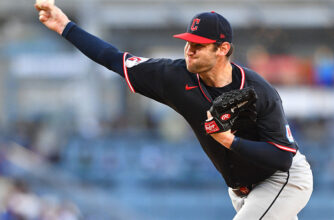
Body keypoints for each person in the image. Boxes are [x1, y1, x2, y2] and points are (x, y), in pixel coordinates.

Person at [35, 2, 313, 219]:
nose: (189, 49)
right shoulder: (174, 76)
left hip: (281, 181)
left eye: (198, 45)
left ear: (222, 49)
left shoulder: (258, 91)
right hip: (241, 190)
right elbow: (113, 59)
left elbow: (282, 158)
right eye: (188, 41)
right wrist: (64, 26)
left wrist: (231, 141)